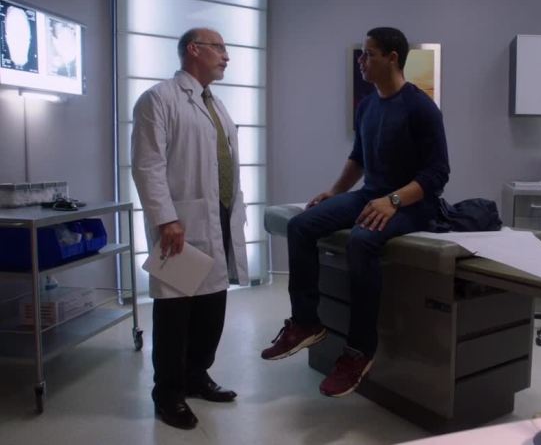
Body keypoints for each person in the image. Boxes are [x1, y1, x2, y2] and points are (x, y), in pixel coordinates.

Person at [261, 27, 450, 397]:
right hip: (370, 194)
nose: (361, 61)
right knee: (301, 226)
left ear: (392, 58)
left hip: (415, 205)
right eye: (362, 54)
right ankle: (306, 322)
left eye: (369, 54)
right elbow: (358, 158)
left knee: (361, 242)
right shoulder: (367, 106)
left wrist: (393, 201)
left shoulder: (421, 108)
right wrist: (334, 192)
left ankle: (360, 351)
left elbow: (438, 173)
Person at [131, 27, 249, 430]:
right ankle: (167, 393)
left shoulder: (216, 105)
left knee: (211, 307)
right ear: (194, 50)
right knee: (175, 312)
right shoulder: (159, 99)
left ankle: (196, 376)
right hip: (180, 223)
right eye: (220, 48)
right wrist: (166, 218)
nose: (226, 56)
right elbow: (147, 164)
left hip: (219, 217)